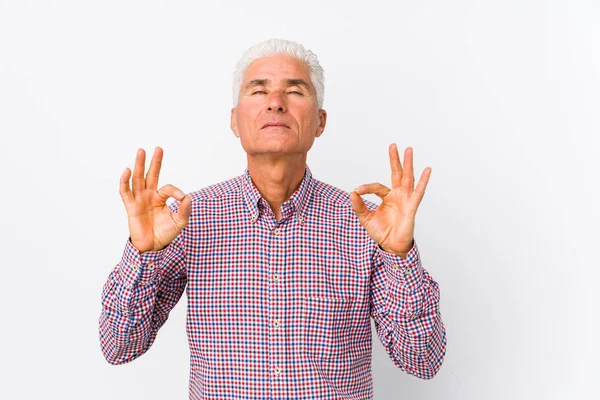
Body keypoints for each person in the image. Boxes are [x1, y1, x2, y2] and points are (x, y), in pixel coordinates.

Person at [99, 38, 446, 399]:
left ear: (320, 121)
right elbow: (118, 347)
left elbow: (423, 361)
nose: (276, 103)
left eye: (294, 91)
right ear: (235, 121)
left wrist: (401, 255)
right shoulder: (190, 218)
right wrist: (141, 253)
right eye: (258, 90)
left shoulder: (366, 224)